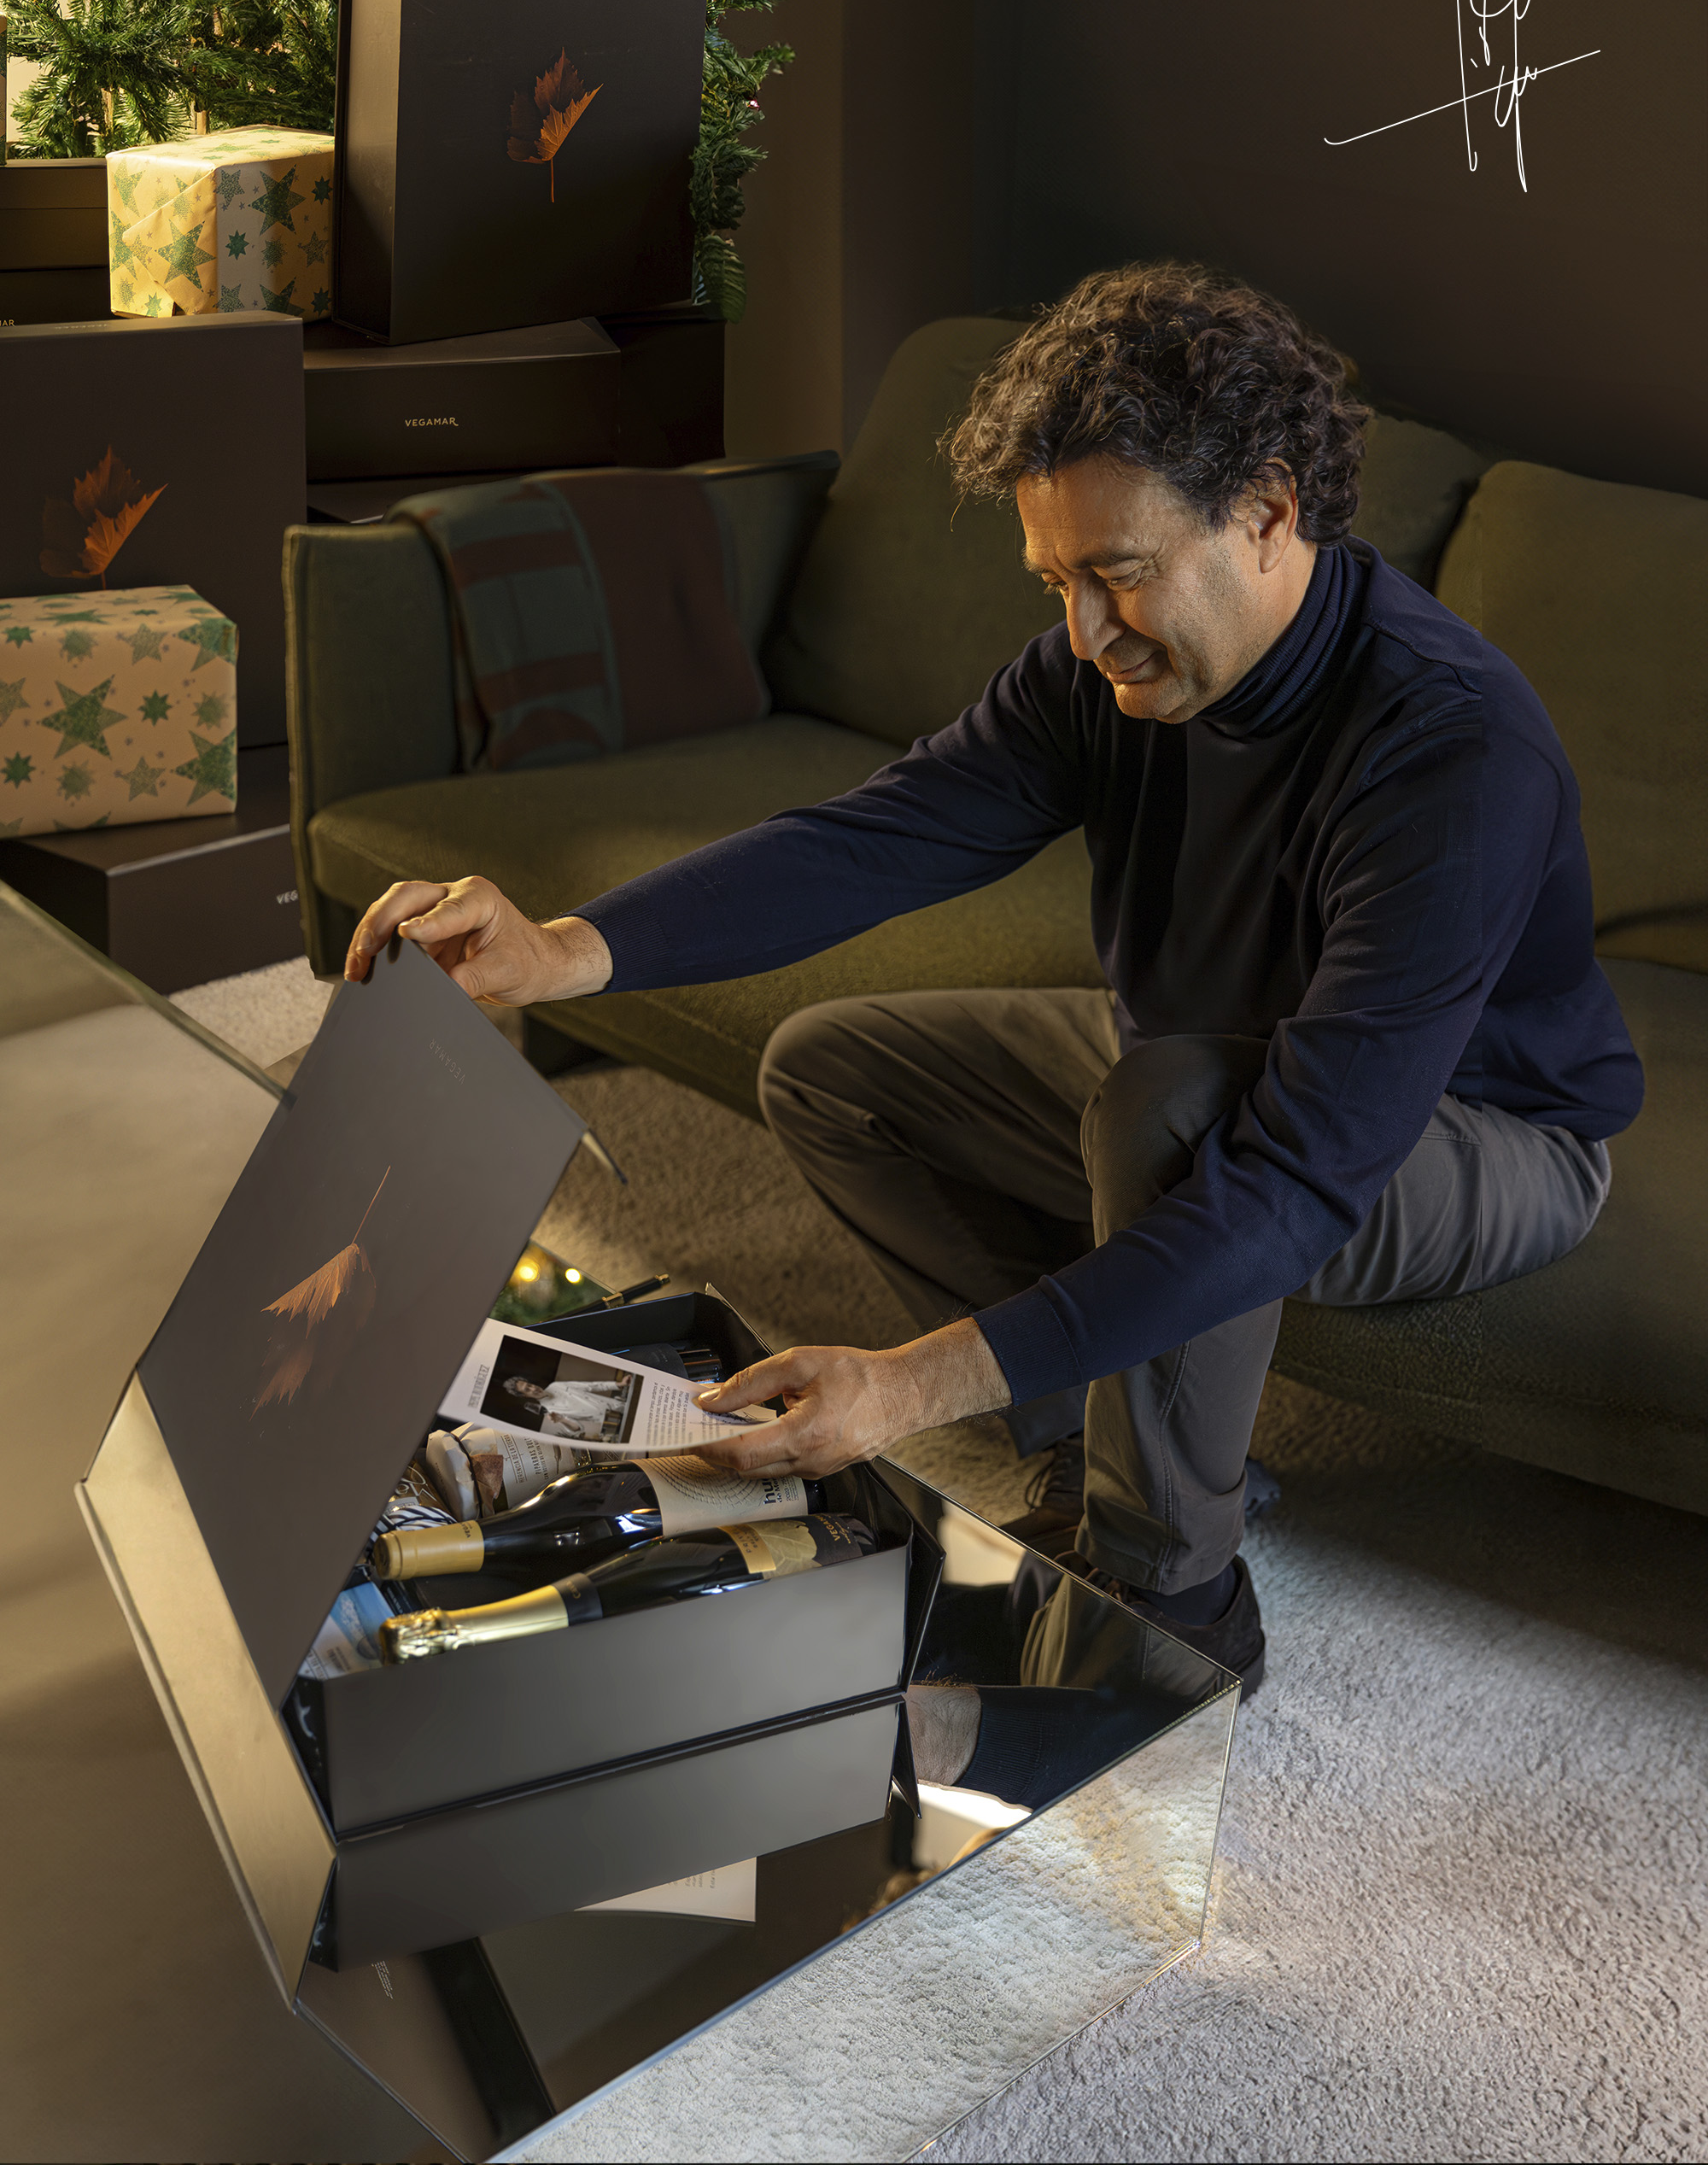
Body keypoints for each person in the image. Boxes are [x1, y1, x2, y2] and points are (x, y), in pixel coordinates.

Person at [347, 263, 1641, 1692]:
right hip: (1201, 1060)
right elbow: (874, 840)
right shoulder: (1104, 676)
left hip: (1474, 1134)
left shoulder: (1452, 748)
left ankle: (1174, 1596)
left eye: (1120, 573)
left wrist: (911, 1383)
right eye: (1057, 584)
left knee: (1170, 1119)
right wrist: (560, 952)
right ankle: (1092, 1436)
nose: (1084, 633)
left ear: (1270, 512)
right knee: (837, 1071)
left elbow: (1293, 1179)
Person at [500, 1370, 630, 1440]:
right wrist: (561, 1420)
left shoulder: (556, 1386)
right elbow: (577, 1428)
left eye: (529, 1385)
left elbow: (591, 1386)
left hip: (621, 1405)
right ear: (525, 1396)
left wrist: (619, 1384)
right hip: (614, 1421)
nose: (533, 1388)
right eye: (527, 1390)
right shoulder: (550, 1411)